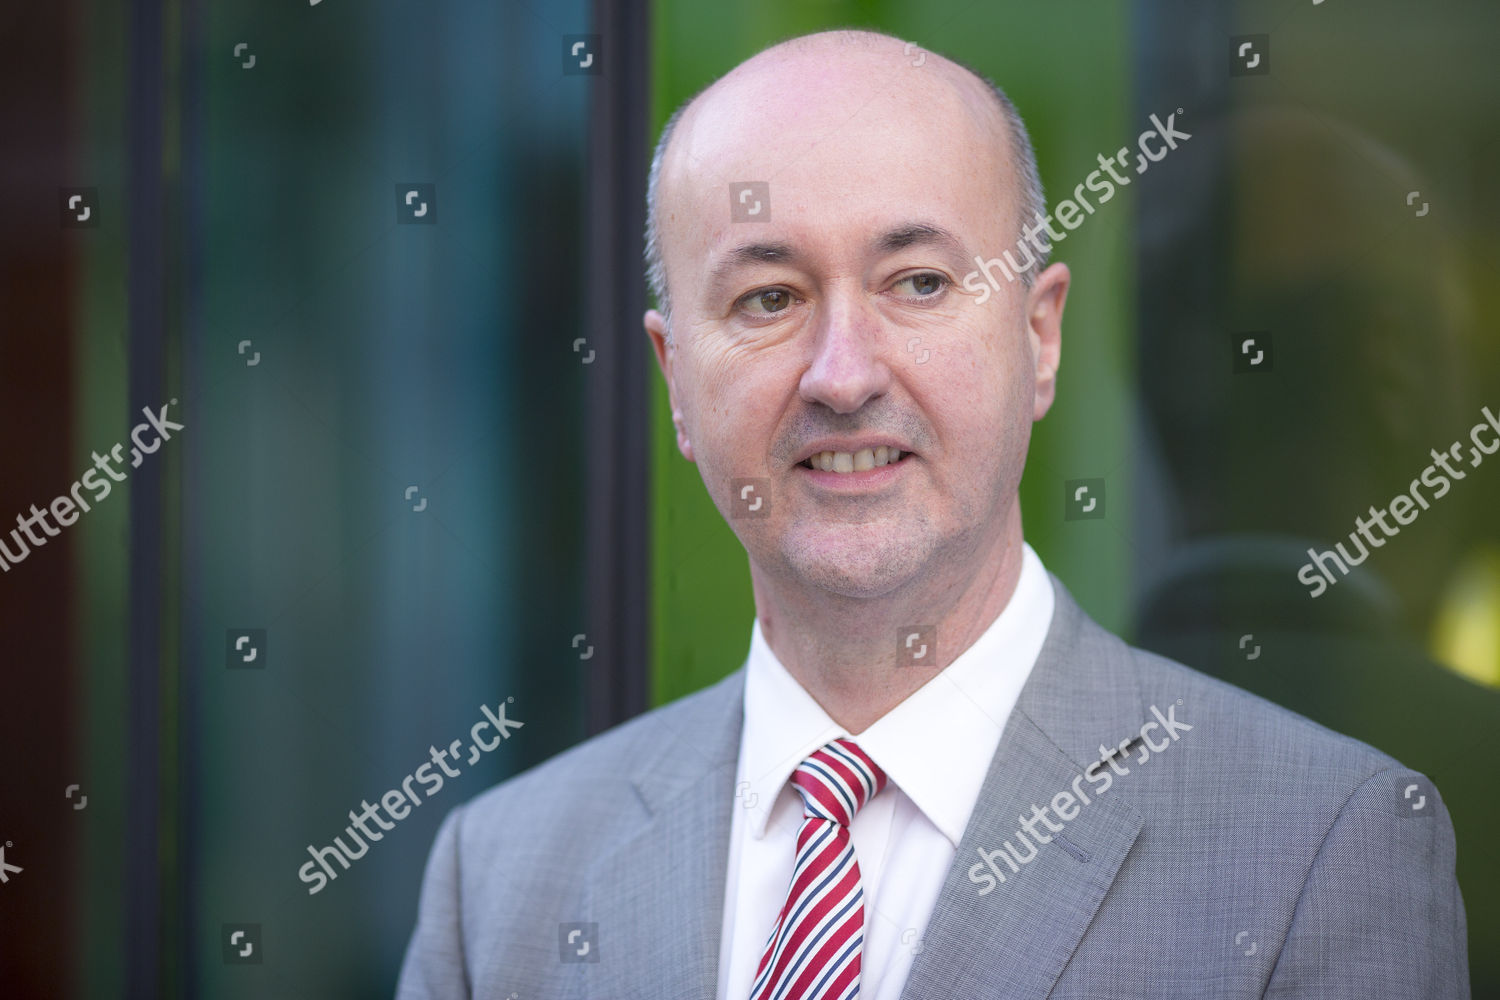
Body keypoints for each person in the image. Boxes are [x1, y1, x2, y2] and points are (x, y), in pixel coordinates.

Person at [396, 29, 1468, 999]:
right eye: (768, 297)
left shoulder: (1320, 848)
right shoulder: (496, 887)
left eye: (916, 282)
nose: (844, 375)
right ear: (675, 379)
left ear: (1039, 338)